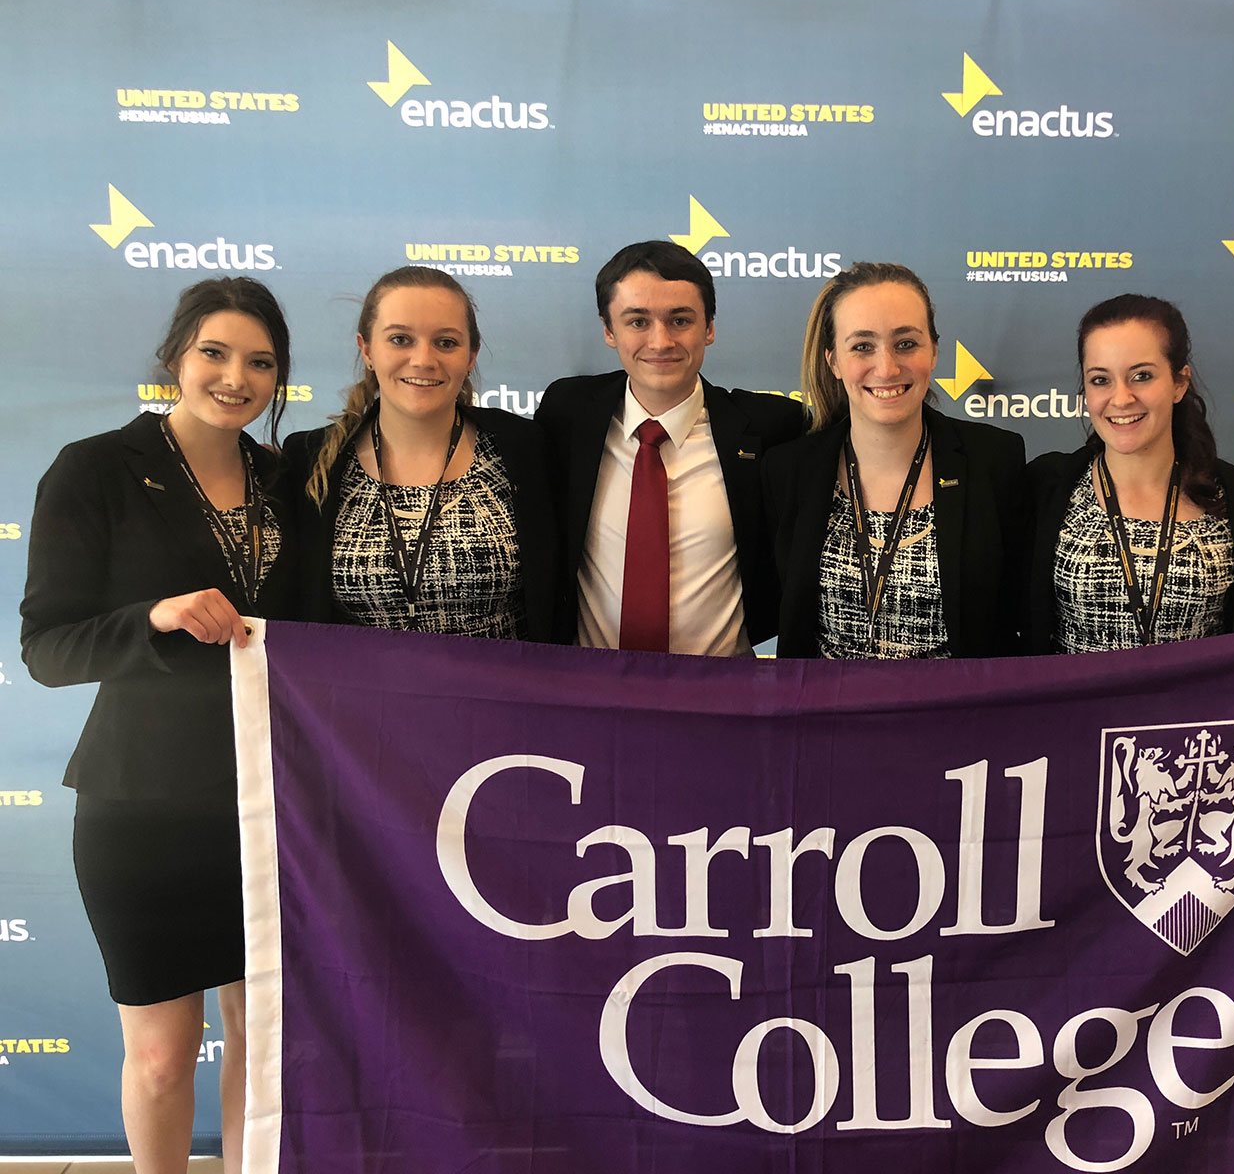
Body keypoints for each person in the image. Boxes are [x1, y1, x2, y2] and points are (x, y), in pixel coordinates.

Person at [20, 277, 296, 1174]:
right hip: (141, 807)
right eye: (215, 352)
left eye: (259, 362)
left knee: (262, 1049)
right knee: (163, 1052)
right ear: (175, 356)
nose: (234, 376)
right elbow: (48, 650)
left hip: (268, 804)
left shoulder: (287, 480)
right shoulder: (96, 467)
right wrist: (154, 617)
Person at [534, 240, 807, 654]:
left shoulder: (772, 429)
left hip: (722, 696)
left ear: (709, 328)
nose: (660, 342)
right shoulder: (567, 414)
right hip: (589, 691)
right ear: (609, 330)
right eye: (638, 322)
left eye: (680, 320)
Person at [764, 262, 1027, 658]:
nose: (886, 367)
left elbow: (1015, 618)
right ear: (834, 360)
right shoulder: (788, 471)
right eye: (862, 346)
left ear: (935, 351)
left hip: (957, 715)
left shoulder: (994, 459)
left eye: (906, 343)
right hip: (826, 716)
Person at [282, 266, 555, 640]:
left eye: (446, 342)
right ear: (366, 349)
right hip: (362, 696)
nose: (423, 359)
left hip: (503, 693)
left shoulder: (524, 447)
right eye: (400, 339)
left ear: (471, 355)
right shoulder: (311, 459)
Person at [1024, 294, 1234, 654]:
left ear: (1179, 383)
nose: (1121, 398)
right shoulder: (1043, 487)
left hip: (1196, 711)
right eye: (1101, 380)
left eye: (1142, 376)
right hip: (1071, 709)